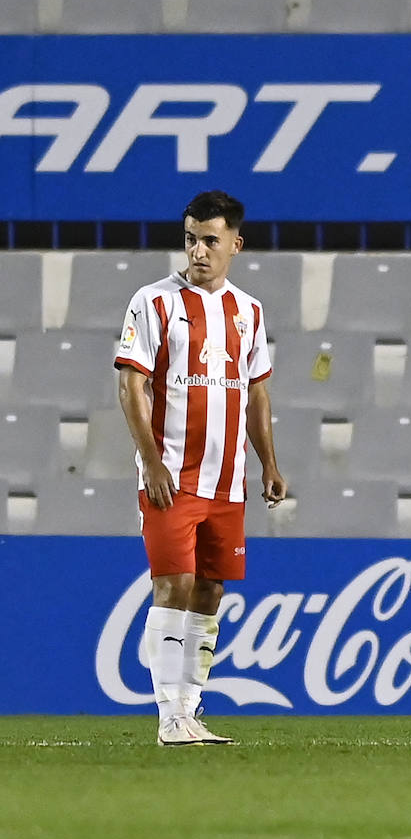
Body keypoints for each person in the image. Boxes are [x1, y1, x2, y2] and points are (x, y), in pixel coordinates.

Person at [115, 190, 287, 746]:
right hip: (172, 477)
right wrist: (151, 461)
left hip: (227, 481)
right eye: (191, 238)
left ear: (236, 243)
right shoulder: (154, 302)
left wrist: (269, 464)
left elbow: (257, 395)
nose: (198, 250)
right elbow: (130, 385)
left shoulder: (250, 311)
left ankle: (189, 710)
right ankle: (168, 718)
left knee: (210, 590)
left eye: (211, 240)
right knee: (174, 584)